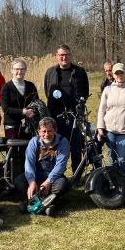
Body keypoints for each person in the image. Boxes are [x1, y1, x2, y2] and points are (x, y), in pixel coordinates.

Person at [96, 63, 125, 192]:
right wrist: (100, 128)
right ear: (113, 75)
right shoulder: (108, 90)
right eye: (117, 73)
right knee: (112, 159)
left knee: (123, 160)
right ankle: (116, 188)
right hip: (110, 130)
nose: (119, 75)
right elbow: (101, 110)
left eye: (121, 72)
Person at [44, 44, 89, 173]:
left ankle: (77, 175)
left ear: (70, 55)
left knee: (76, 147)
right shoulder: (50, 72)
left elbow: (85, 92)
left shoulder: (80, 72)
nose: (64, 57)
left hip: (75, 116)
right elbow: (47, 92)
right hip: (55, 116)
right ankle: (56, 175)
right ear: (57, 56)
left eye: (66, 55)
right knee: (55, 146)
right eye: (61, 55)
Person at [15, 117, 69, 217]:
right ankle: (47, 206)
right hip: (37, 175)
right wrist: (31, 182)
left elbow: (60, 166)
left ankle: (31, 204)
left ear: (55, 130)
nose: (47, 134)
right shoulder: (34, 142)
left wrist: (48, 182)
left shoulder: (63, 142)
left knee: (61, 186)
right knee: (18, 181)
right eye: (44, 131)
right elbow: (29, 163)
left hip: (54, 177)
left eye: (50, 131)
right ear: (39, 132)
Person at [0, 58, 40, 174]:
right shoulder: (6, 87)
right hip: (12, 124)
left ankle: (27, 176)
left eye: (22, 69)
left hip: (28, 125)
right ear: (12, 70)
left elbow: (36, 103)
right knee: (12, 152)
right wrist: (23, 112)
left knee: (27, 151)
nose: (19, 71)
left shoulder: (31, 86)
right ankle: (11, 176)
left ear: (25, 70)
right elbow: (6, 109)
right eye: (17, 69)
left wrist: (32, 112)